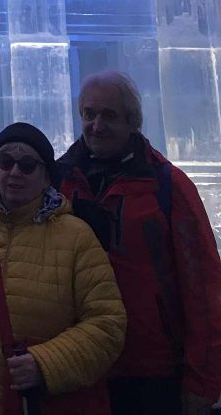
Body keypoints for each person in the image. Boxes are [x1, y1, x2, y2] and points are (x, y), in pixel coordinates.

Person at [0, 122, 126, 415]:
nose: (15, 172)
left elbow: (108, 324)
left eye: (28, 165)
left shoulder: (77, 237)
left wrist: (45, 364)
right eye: (5, 162)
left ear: (47, 178)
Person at [58, 71, 221, 415]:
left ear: (133, 121)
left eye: (109, 115)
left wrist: (202, 380)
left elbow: (204, 289)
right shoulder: (59, 181)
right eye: (89, 114)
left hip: (153, 369)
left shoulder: (168, 185)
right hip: (78, 362)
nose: (96, 125)